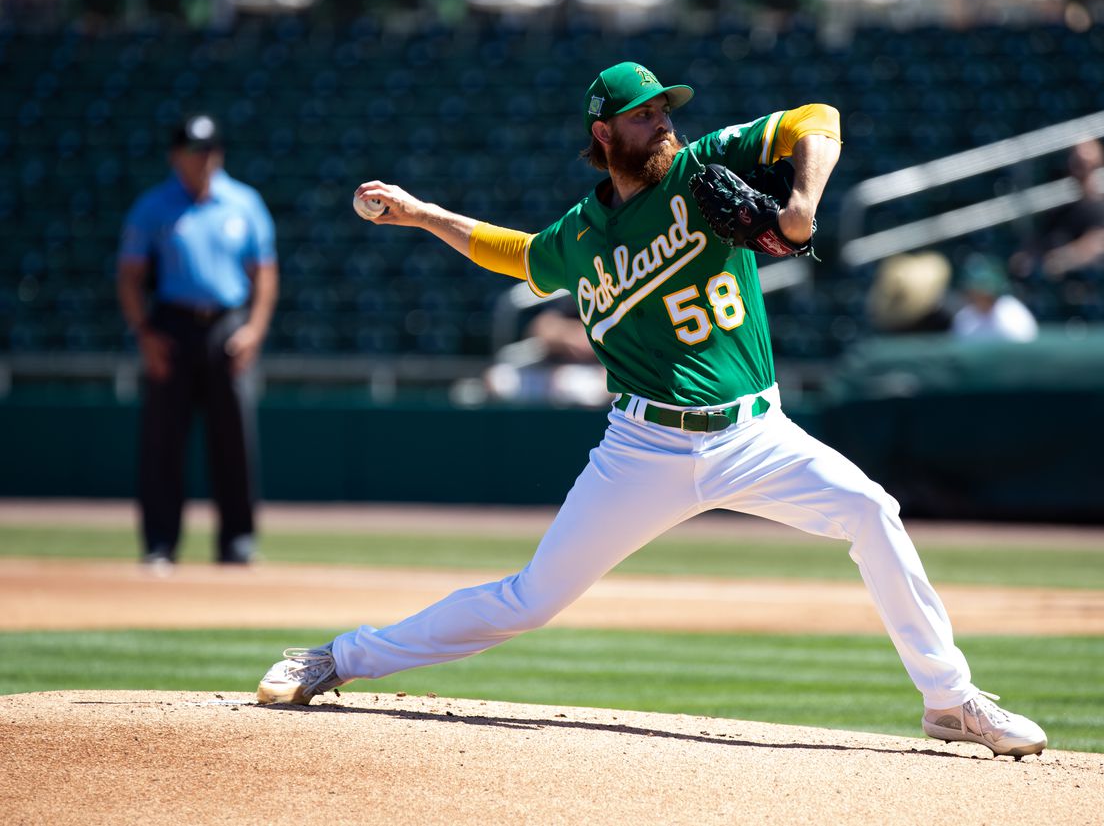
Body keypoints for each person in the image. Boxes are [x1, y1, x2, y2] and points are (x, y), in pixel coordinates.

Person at [256, 62, 1047, 759]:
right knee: (530, 598)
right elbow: (517, 252)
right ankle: (337, 657)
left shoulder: (702, 168)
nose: (664, 121)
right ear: (604, 133)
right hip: (643, 447)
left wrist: (802, 200)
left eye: (666, 108)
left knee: (871, 510)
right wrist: (425, 213)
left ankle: (949, 699)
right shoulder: (582, 233)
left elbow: (818, 119)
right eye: (645, 114)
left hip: (755, 432)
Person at [116, 114, 278, 570]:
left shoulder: (243, 202)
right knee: (163, 441)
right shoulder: (154, 206)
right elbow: (129, 277)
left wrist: (255, 330)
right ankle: (160, 544)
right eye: (194, 149)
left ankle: (237, 543)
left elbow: (264, 272)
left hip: (228, 325)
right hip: (173, 327)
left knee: (235, 441)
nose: (203, 158)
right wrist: (145, 334)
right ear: (175, 156)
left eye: (210, 149)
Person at [1013, 139, 1104, 280]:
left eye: (1085, 162)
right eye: (1076, 161)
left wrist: (1064, 258)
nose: (1080, 167)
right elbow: (1043, 239)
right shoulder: (1061, 207)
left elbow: (1102, 242)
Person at [950, 254, 1038, 342]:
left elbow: (1023, 350)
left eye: (983, 285)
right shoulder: (964, 318)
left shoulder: (1012, 313)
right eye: (974, 289)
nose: (978, 294)